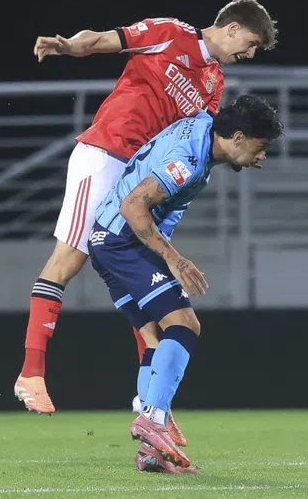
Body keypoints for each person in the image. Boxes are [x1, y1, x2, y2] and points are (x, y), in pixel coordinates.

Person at [15, 0, 278, 420]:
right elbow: (103, 40)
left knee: (148, 287)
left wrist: (240, 154)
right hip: (106, 153)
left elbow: (202, 140)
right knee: (68, 260)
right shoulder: (171, 33)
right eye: (250, 44)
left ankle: (151, 404)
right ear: (232, 28)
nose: (249, 55)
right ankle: (31, 373)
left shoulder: (213, 82)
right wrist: (68, 46)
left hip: (140, 175)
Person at [87, 95, 284, 473]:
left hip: (103, 238)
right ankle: (152, 420)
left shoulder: (204, 127)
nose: (262, 156)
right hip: (123, 239)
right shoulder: (188, 161)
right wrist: (173, 258)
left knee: (154, 339)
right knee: (184, 324)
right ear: (238, 137)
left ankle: (151, 451)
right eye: (260, 147)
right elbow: (133, 206)